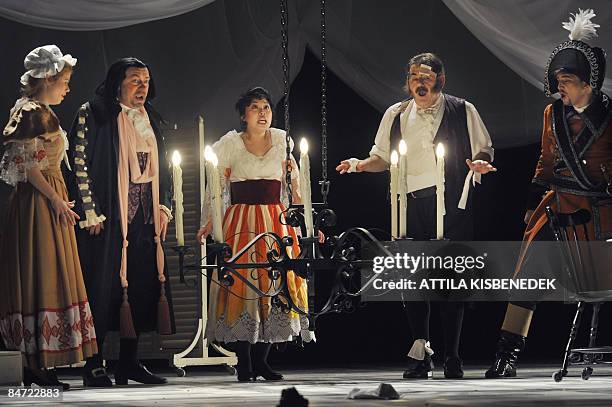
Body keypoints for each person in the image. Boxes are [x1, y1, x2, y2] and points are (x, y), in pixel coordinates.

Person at [337, 53, 495, 379]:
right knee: (413, 281)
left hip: (451, 205)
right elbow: (380, 157)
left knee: (451, 279)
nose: (419, 83)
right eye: (413, 77)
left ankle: (452, 356)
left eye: (425, 76)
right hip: (408, 206)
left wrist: (478, 162)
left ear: (441, 79)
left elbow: (484, 148)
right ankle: (421, 354)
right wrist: (360, 165)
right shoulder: (395, 114)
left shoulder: (463, 109)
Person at [485, 9, 612, 379]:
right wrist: (530, 203)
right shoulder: (551, 114)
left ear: (588, 82)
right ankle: (506, 353)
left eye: (568, 80)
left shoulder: (610, 115)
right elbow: (544, 161)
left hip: (599, 210)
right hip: (555, 205)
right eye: (559, 80)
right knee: (528, 276)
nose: (562, 88)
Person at [66, 58, 175, 387]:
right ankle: (94, 364)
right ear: (117, 83)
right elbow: (78, 161)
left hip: (143, 219)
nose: (142, 87)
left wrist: (164, 207)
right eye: (134, 81)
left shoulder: (150, 117)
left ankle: (129, 362)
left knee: (140, 287)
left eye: (146, 80)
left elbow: (166, 167)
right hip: (107, 217)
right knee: (101, 290)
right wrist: (89, 209)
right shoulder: (93, 112)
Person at [197, 87, 314, 381]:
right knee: (244, 283)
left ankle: (262, 361)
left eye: (266, 107)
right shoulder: (229, 144)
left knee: (275, 283)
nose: (262, 113)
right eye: (255, 108)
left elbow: (295, 186)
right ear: (243, 115)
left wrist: (306, 225)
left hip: (275, 220)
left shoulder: (281, 140)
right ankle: (245, 361)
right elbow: (216, 187)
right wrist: (209, 221)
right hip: (242, 222)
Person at [0, 45, 97, 389]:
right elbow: (28, 167)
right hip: (38, 202)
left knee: (51, 271)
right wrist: (56, 199)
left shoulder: (39, 110)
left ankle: (42, 360)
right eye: (65, 81)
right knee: (41, 270)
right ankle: (34, 362)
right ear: (48, 79)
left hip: (46, 198)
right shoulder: (31, 112)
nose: (67, 88)